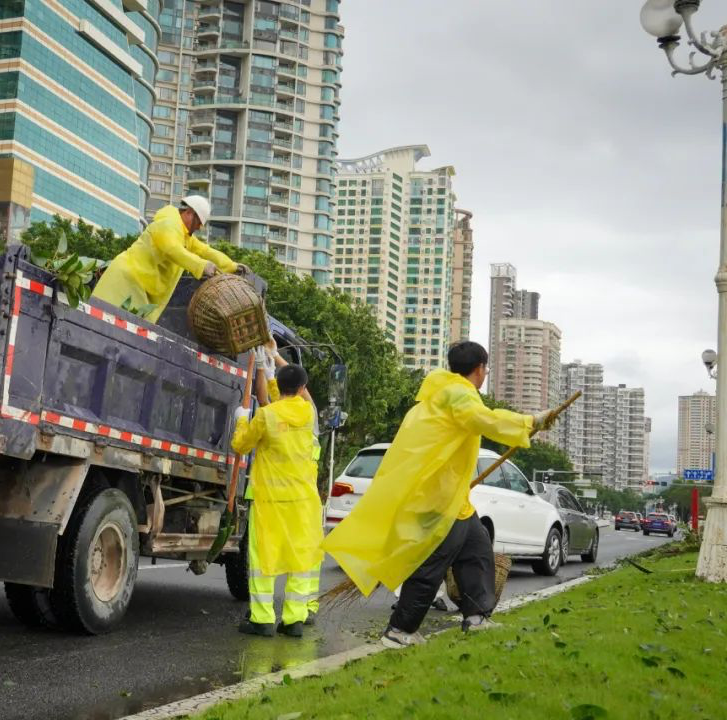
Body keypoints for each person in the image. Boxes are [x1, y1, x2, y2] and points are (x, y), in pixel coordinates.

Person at [321, 341, 558, 648]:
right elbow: (484, 419)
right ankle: (400, 630)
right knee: (432, 562)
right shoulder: (457, 394)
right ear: (480, 369)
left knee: (477, 551)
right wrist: (530, 422)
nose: (485, 373)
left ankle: (476, 616)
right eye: (485, 368)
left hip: (451, 497)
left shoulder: (436, 395)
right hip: (437, 499)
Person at [232, 360, 322, 638]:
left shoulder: (267, 416)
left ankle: (262, 618)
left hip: (270, 501)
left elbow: (241, 445)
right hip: (304, 502)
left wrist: (241, 418)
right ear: (303, 388)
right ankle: (294, 620)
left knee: (263, 561)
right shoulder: (307, 413)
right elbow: (291, 399)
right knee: (299, 559)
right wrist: (271, 370)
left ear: (280, 387)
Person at [91, 196, 244, 323]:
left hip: (139, 288)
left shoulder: (184, 236)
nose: (198, 228)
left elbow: (204, 250)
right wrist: (201, 266)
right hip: (126, 281)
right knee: (101, 324)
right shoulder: (168, 224)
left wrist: (231, 266)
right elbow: (172, 250)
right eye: (198, 223)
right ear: (190, 213)